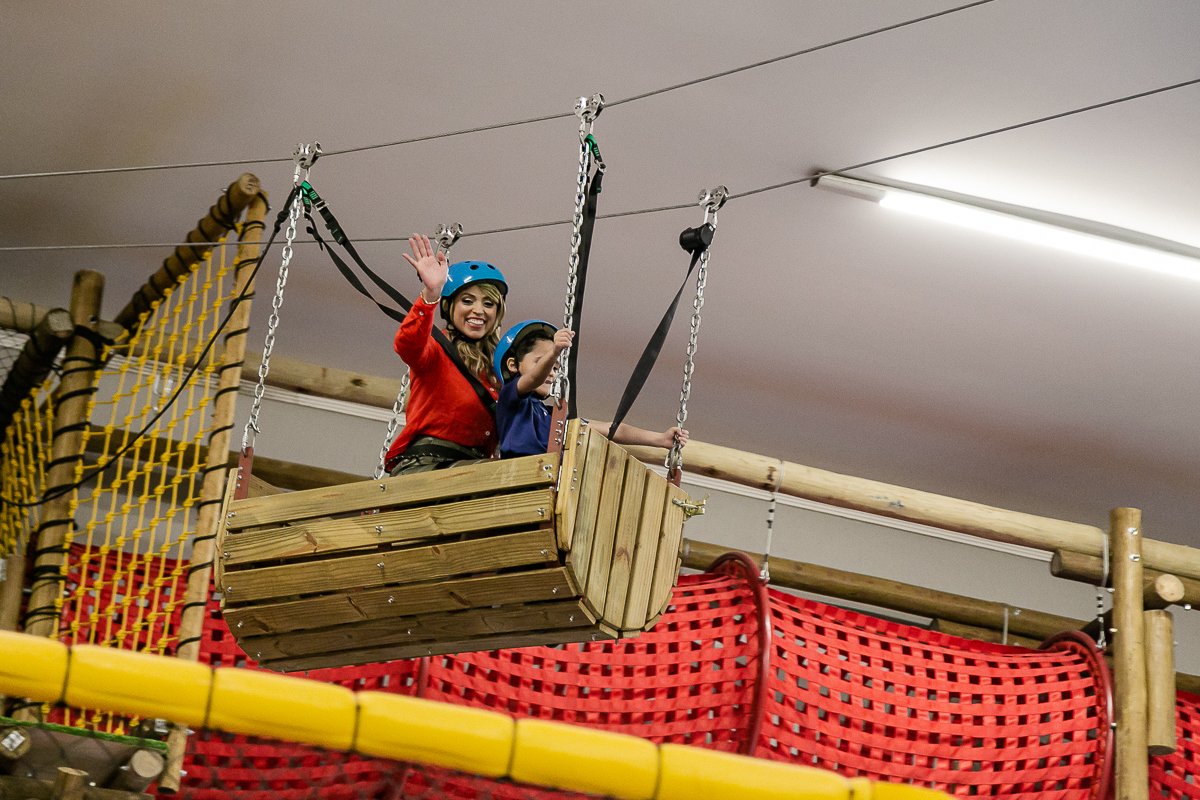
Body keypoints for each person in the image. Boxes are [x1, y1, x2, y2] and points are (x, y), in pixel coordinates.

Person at [385, 234, 507, 475]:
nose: (478, 310)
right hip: (427, 466)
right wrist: (430, 295)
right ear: (449, 307)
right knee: (500, 475)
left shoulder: (500, 368)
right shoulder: (436, 350)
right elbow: (408, 343)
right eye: (468, 300)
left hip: (473, 470)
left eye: (489, 304)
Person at [493, 319, 688, 458]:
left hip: (546, 483)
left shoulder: (553, 417)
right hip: (520, 479)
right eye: (541, 362)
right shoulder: (510, 398)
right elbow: (534, 378)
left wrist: (660, 439)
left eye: (555, 368)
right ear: (512, 365)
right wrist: (554, 352)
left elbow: (612, 430)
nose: (551, 373)